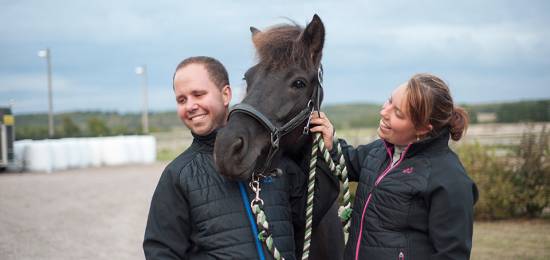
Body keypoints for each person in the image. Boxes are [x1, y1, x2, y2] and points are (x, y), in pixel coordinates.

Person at [143, 56, 343, 260]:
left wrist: (326, 154)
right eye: (181, 100)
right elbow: (161, 251)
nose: (191, 106)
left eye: (198, 94)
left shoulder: (272, 160)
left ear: (225, 94)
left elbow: (307, 216)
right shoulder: (178, 175)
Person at [310, 73, 479, 260]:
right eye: (389, 101)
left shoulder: (449, 179)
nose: (384, 112)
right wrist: (330, 143)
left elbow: (452, 255)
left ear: (423, 128)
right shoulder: (379, 151)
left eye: (398, 113)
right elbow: (346, 163)